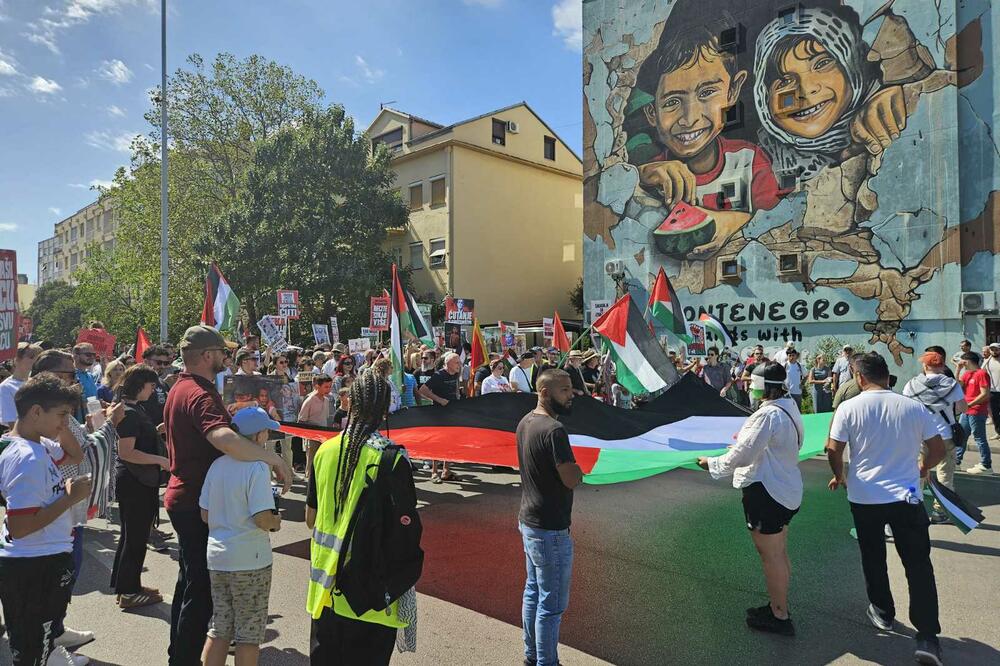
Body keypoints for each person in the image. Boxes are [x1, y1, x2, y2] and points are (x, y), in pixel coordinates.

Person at [163, 326, 292, 666]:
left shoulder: (184, 387)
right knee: (201, 594)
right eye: (222, 352)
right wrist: (273, 457)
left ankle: (179, 655)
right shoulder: (199, 393)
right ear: (207, 356)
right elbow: (221, 436)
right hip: (195, 500)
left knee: (191, 585)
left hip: (190, 497)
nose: (226, 357)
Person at [826, 353, 946, 666]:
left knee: (873, 555)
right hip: (907, 497)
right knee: (918, 564)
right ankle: (928, 637)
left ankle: (882, 611)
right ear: (886, 376)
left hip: (865, 497)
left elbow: (833, 448)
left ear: (860, 377)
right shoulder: (912, 406)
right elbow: (938, 448)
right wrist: (923, 466)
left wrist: (839, 475)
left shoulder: (848, 408)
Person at [305, 370, 419, 665]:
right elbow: (405, 532)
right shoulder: (392, 457)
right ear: (385, 409)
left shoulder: (325, 451)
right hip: (371, 597)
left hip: (326, 591)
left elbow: (310, 518)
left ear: (349, 404)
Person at [697, 362, 803, 636]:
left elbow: (742, 455)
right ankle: (777, 605)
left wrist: (712, 463)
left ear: (763, 386)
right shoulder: (789, 408)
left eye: (751, 381)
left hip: (767, 493)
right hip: (785, 490)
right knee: (778, 552)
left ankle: (779, 615)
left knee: (771, 556)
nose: (747, 385)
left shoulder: (767, 415)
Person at [0, 374, 91, 666]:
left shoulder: (35, 444)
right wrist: (70, 498)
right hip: (35, 566)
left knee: (37, 644)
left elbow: (75, 455)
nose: (66, 423)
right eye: (62, 415)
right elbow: (21, 526)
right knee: (31, 652)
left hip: (37, 560)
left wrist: (58, 426)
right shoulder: (29, 457)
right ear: (36, 411)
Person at [199, 407, 282, 666]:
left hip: (218, 556)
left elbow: (205, 513)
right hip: (249, 559)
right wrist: (276, 522)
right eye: (266, 431)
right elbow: (262, 518)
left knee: (220, 625)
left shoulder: (217, 464)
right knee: (249, 634)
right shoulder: (256, 468)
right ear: (258, 436)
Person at [517, 369, 582, 666]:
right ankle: (546, 662)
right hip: (550, 529)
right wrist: (581, 470)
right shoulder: (554, 430)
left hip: (530, 521)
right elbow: (570, 478)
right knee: (551, 605)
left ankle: (532, 656)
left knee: (534, 592)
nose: (571, 395)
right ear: (545, 392)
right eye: (565, 390)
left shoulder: (525, 422)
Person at [111, 365, 170, 609]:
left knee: (131, 535)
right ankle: (130, 591)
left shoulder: (132, 409)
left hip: (136, 480)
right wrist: (160, 460)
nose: (153, 390)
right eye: (151, 385)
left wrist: (157, 431)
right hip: (135, 481)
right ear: (139, 385)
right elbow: (127, 452)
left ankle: (126, 584)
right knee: (135, 537)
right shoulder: (130, 412)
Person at [902, 351, 967, 523]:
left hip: (920, 435)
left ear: (925, 365)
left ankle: (913, 509)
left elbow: (906, 410)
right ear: (943, 366)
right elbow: (963, 408)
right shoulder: (952, 384)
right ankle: (941, 512)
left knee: (917, 472)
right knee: (945, 475)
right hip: (945, 435)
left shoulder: (911, 384)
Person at [417, 352, 462, 483]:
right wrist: (439, 400)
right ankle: (434, 472)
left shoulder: (456, 374)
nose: (459, 365)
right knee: (438, 442)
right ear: (448, 364)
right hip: (438, 412)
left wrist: (457, 396)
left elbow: (456, 388)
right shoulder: (439, 375)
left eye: (459, 362)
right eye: (456, 362)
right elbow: (423, 390)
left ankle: (446, 470)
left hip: (452, 411)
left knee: (451, 441)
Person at [956, 351, 993, 474]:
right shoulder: (967, 374)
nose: (962, 364)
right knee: (961, 436)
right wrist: (957, 369)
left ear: (967, 361)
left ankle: (986, 465)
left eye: (962, 362)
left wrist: (969, 404)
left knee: (979, 438)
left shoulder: (981, 374)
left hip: (977, 411)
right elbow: (956, 385)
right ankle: (956, 461)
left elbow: (985, 394)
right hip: (966, 411)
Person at [298, 374, 333, 481]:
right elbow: (301, 420)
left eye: (330, 386)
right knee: (311, 464)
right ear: (317, 386)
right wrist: (313, 430)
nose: (329, 389)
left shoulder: (326, 400)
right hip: (312, 438)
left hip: (324, 438)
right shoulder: (309, 400)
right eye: (326, 387)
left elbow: (325, 418)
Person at [0, 342, 41, 428]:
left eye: (37, 358)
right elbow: (12, 423)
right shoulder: (6, 387)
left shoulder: (36, 382)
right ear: (17, 359)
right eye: (31, 357)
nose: (35, 361)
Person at [140, 345, 175, 427]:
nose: (162, 366)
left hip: (160, 436)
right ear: (146, 361)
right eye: (159, 362)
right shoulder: (135, 382)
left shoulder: (163, 383)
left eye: (165, 363)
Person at [982, 342, 1000, 440]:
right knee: (994, 414)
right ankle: (998, 432)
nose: (994, 351)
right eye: (992, 349)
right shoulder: (987, 361)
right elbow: (981, 370)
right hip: (993, 391)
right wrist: (988, 357)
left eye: (996, 349)